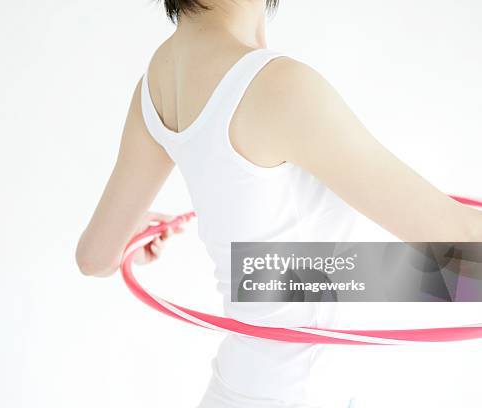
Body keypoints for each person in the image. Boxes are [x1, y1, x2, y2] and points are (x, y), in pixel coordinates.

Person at [75, 1, 482, 406]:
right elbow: (458, 245)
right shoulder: (277, 86)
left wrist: (135, 230)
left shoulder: (157, 79)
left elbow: (95, 257)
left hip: (236, 390)